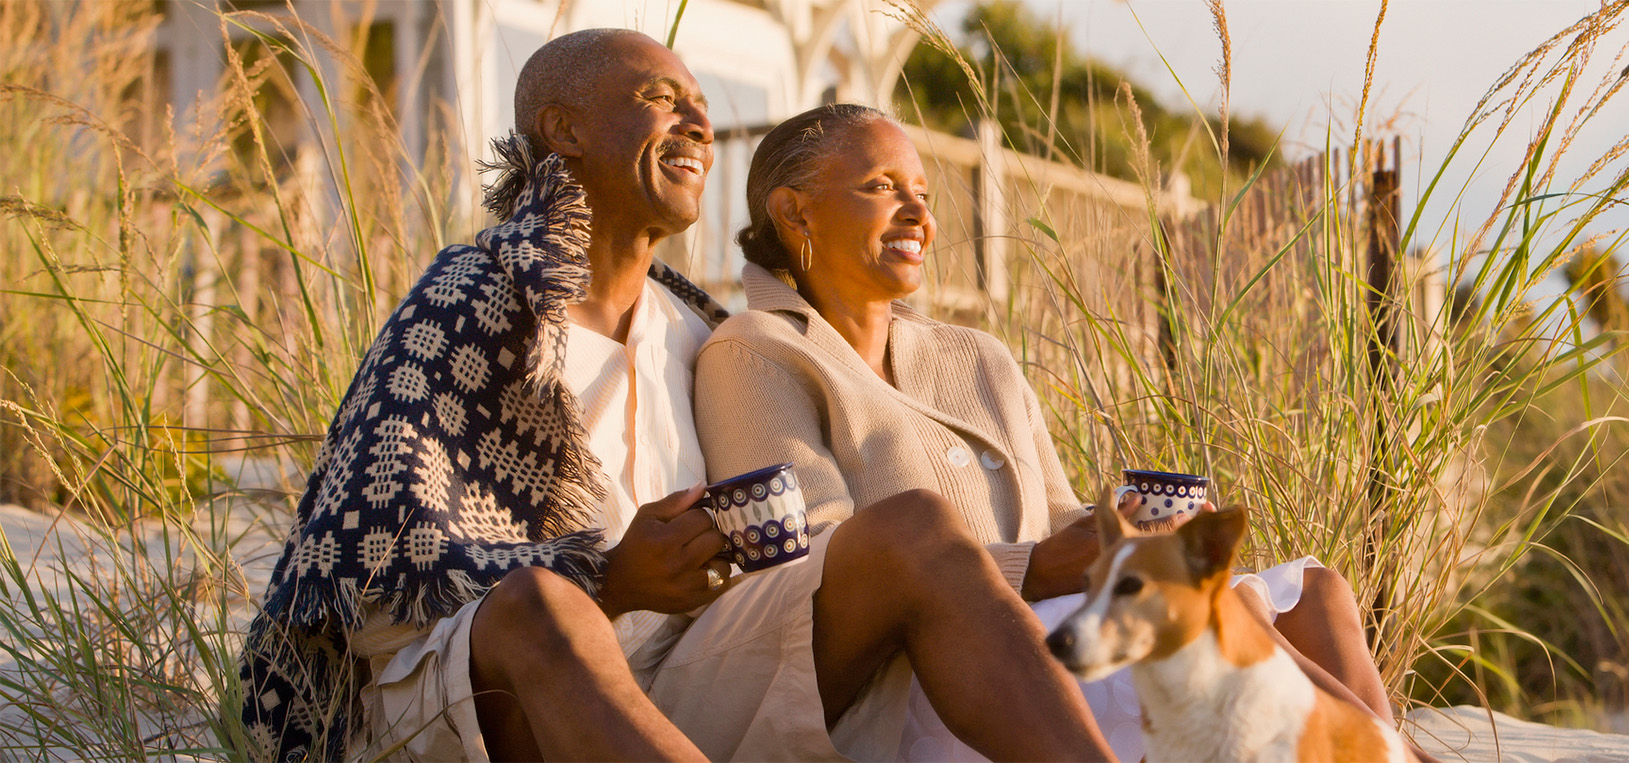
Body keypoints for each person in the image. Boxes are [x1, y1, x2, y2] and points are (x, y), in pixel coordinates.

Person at [237, 31, 1114, 762]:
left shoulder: (696, 329)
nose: (698, 118)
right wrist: (609, 578)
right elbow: (373, 586)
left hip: (683, 674)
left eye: (699, 100)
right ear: (564, 129)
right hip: (481, 696)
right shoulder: (472, 300)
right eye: (662, 97)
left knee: (914, 530)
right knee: (545, 607)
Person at [693, 103, 1430, 761]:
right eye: (882, 186)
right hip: (940, 672)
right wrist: (1038, 565)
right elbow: (823, 574)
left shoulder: (978, 355)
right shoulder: (758, 349)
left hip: (1049, 618)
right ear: (795, 214)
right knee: (1215, 617)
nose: (918, 212)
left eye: (923, 191)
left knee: (1314, 594)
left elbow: (1060, 515)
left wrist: (1132, 537)